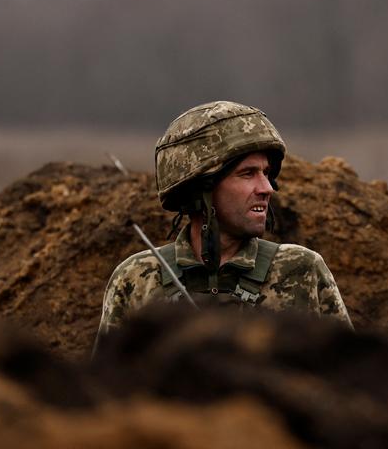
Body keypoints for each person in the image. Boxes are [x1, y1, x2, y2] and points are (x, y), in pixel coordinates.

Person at [94, 101, 352, 346]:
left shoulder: (301, 270)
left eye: (266, 173)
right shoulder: (138, 279)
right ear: (200, 189)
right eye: (247, 174)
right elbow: (107, 386)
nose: (266, 188)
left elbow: (354, 382)